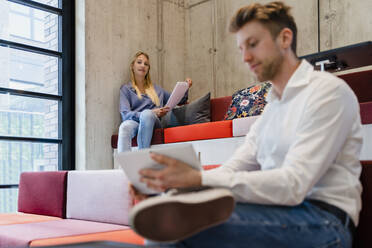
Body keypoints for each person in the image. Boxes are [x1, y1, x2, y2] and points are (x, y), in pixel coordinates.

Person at [129, 1, 363, 247]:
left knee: (178, 229)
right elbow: (233, 168)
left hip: (324, 221)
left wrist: (196, 180)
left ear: (284, 38)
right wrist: (171, 185)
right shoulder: (272, 107)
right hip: (275, 211)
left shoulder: (328, 92)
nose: (246, 57)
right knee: (169, 221)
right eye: (241, 49)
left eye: (253, 44)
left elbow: (293, 185)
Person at [118, 51, 192, 153]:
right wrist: (151, 112)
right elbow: (125, 114)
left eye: (146, 64)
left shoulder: (157, 89)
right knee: (124, 127)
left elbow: (177, 100)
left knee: (147, 114)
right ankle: (124, 167)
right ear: (132, 66)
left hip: (154, 122)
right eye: (139, 62)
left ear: (148, 69)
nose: (143, 65)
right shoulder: (126, 89)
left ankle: (142, 159)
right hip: (135, 122)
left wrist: (186, 87)